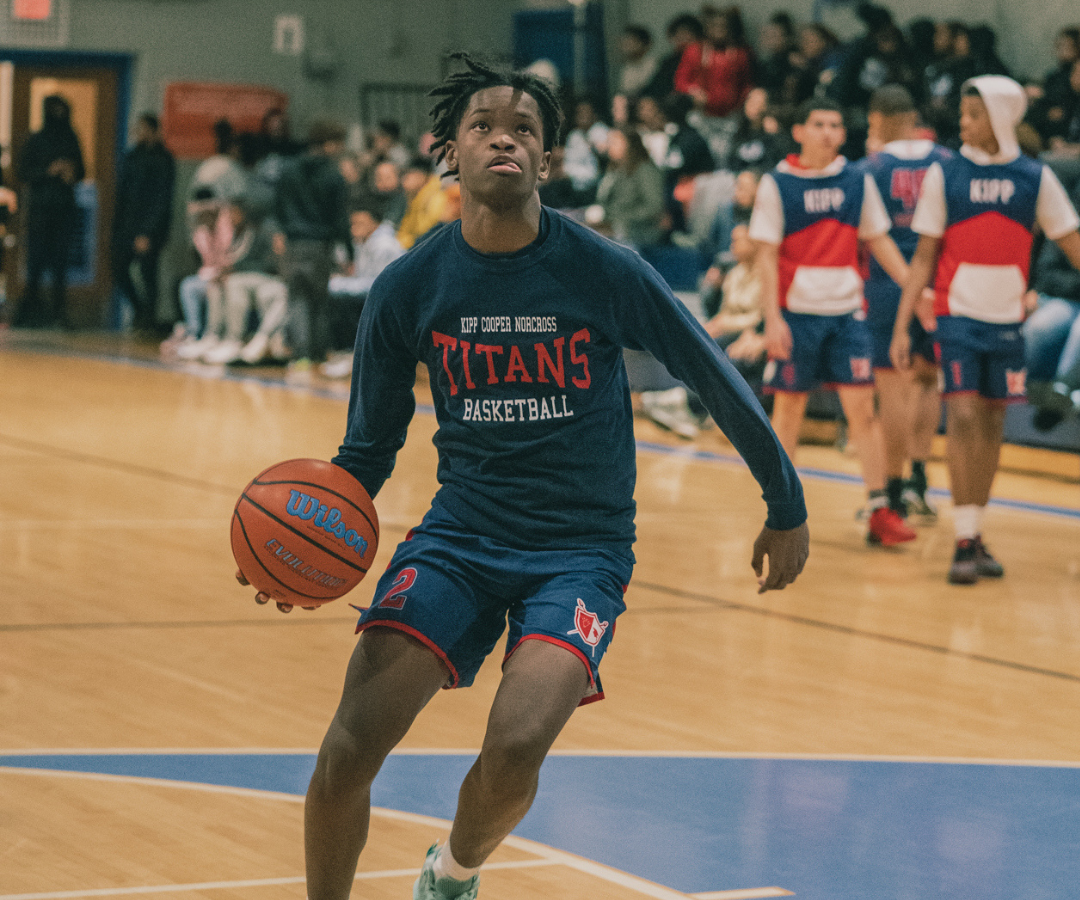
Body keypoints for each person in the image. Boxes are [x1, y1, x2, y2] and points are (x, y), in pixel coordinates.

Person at [237, 52, 809, 900]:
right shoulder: (409, 286)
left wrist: (785, 500)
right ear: (451, 151)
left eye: (524, 130)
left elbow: (709, 371)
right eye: (483, 127)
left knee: (514, 746)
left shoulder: (602, 268)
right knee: (348, 749)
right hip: (459, 538)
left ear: (547, 159)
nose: (503, 139)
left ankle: (454, 873)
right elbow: (367, 449)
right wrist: (305, 549)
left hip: (580, 551)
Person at [892, 75, 1080, 583]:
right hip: (956, 318)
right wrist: (904, 324)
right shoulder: (944, 175)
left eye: (973, 114)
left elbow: (1072, 244)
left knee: (993, 424)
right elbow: (924, 256)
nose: (963, 122)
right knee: (965, 416)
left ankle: (977, 529)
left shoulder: (1035, 178)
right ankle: (964, 537)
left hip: (1008, 322)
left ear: (998, 119)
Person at [750, 96, 917, 547]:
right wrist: (772, 319)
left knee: (864, 411)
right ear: (800, 131)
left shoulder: (857, 180)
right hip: (796, 315)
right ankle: (782, 512)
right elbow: (765, 257)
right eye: (819, 123)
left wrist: (913, 289)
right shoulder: (777, 184)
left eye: (836, 124)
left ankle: (880, 508)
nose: (827, 131)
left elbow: (879, 240)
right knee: (789, 412)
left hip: (846, 315)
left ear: (844, 134)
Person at [859, 85, 951, 521]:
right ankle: (919, 480)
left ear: (879, 120)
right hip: (937, 278)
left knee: (891, 389)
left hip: (887, 281)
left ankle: (892, 491)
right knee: (929, 382)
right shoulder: (948, 162)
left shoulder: (869, 168)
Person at [274, 119, 352, 378]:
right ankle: (319, 354)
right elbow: (341, 218)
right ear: (329, 144)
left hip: (293, 243)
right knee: (319, 300)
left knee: (296, 298)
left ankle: (300, 356)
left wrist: (283, 231)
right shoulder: (334, 175)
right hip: (321, 244)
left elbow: (278, 206)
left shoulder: (288, 170)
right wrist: (348, 252)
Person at [13, 94, 86, 328]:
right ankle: (30, 312)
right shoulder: (36, 139)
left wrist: (70, 173)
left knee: (60, 263)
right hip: (40, 210)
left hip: (64, 208)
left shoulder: (71, 138)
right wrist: (48, 171)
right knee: (36, 260)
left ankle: (59, 312)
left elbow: (82, 171)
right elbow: (23, 172)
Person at [321, 203, 406, 378]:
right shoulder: (364, 242)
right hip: (377, 299)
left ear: (375, 223)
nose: (354, 228)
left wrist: (339, 284)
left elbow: (379, 286)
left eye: (360, 223)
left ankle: (354, 356)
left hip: (397, 305)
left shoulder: (385, 246)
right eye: (353, 223)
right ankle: (346, 354)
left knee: (343, 300)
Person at [111, 113, 176, 333]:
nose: (138, 134)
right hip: (127, 226)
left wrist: (147, 232)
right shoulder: (131, 157)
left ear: (153, 131)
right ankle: (139, 311)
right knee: (118, 268)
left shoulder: (163, 159)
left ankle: (149, 319)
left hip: (150, 228)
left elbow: (161, 199)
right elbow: (122, 194)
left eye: (142, 129)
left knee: (149, 274)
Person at [589, 126, 666, 249]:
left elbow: (653, 207)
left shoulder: (645, 170)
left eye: (615, 142)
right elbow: (604, 201)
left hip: (640, 231)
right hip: (615, 225)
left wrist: (618, 218)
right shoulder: (616, 171)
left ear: (630, 145)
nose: (610, 146)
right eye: (609, 142)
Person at [397, 155, 449, 250]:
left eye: (409, 174)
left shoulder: (437, 198)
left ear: (422, 176)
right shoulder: (415, 198)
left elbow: (428, 234)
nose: (404, 179)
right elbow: (405, 230)